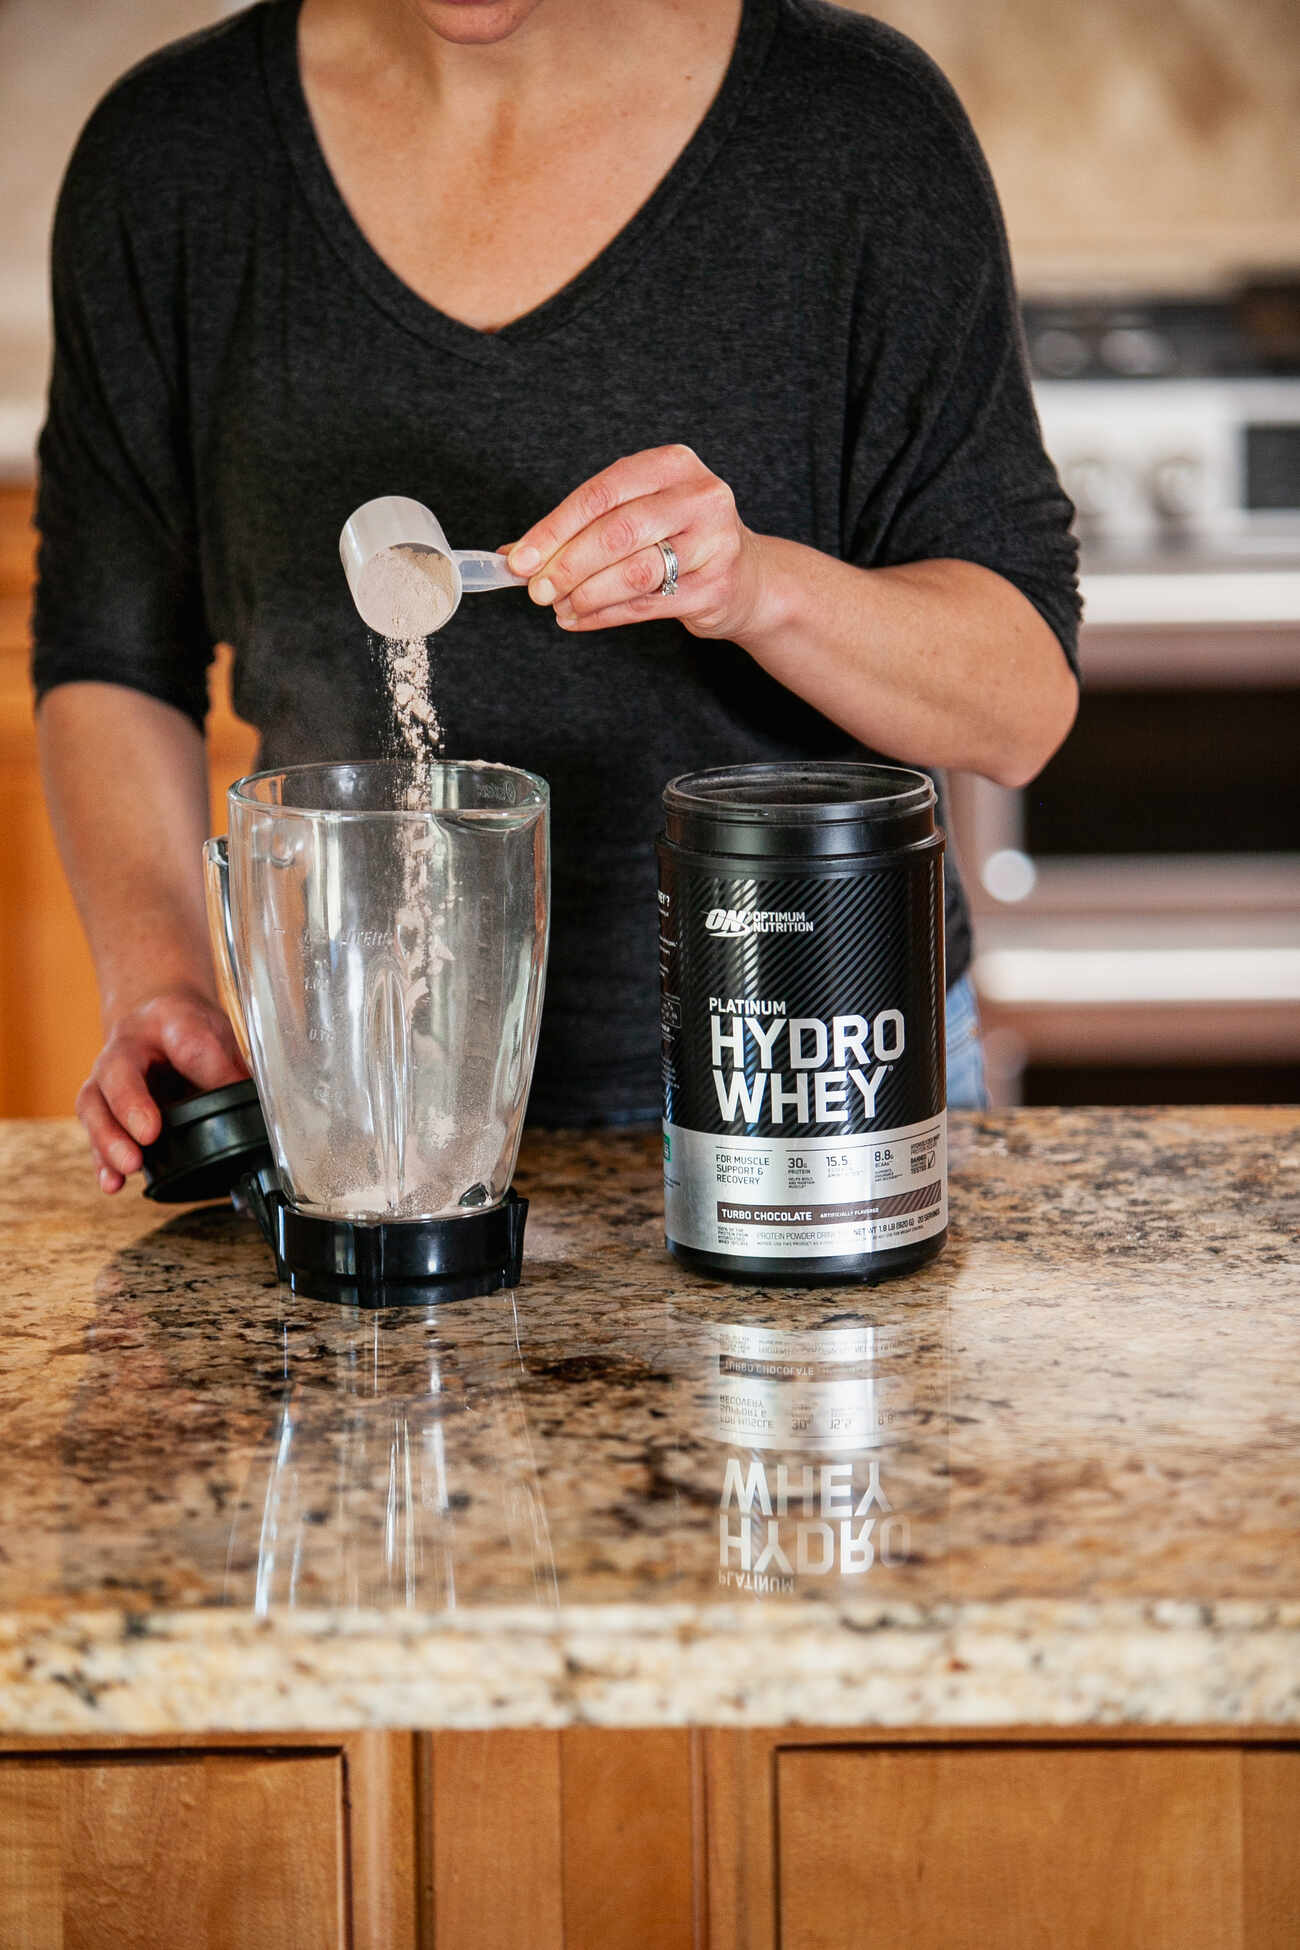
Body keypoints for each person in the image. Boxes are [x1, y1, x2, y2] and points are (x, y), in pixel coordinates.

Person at [32, 0, 1079, 1195]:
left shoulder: (855, 126)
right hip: (362, 1108)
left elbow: (1021, 710)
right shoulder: (176, 154)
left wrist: (756, 586)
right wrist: (161, 979)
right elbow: (110, 653)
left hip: (815, 1078)